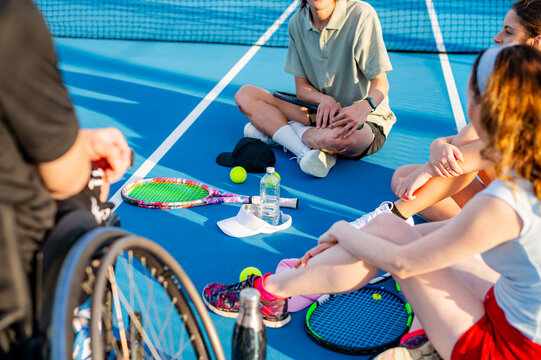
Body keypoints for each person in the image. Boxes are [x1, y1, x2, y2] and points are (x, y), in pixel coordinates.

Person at [203, 44, 541, 360]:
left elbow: (404, 264)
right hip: (513, 309)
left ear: (481, 107)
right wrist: (373, 230)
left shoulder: (500, 203)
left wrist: (343, 230)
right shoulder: (526, 158)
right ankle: (278, 292)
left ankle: (270, 293)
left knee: (386, 236)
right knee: (386, 228)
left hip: (502, 347)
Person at [0, 0, 132, 357]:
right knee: (89, 194)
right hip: (12, 276)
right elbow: (64, 177)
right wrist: (79, 152)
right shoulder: (11, 18)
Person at [359, 0, 541, 225]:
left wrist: (430, 168)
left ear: (537, 42)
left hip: (533, 210)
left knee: (456, 158)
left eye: (508, 31)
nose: (497, 37)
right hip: (515, 195)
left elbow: (493, 147)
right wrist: (438, 145)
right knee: (404, 177)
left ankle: (394, 215)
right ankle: (482, 233)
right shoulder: (519, 81)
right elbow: (477, 135)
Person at [235, 0, 396, 178]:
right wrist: (325, 100)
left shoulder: (361, 14)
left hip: (364, 120)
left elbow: (381, 83)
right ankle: (303, 150)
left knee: (337, 139)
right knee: (246, 96)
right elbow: (302, 89)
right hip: (319, 112)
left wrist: (364, 107)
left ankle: (280, 131)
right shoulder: (297, 23)